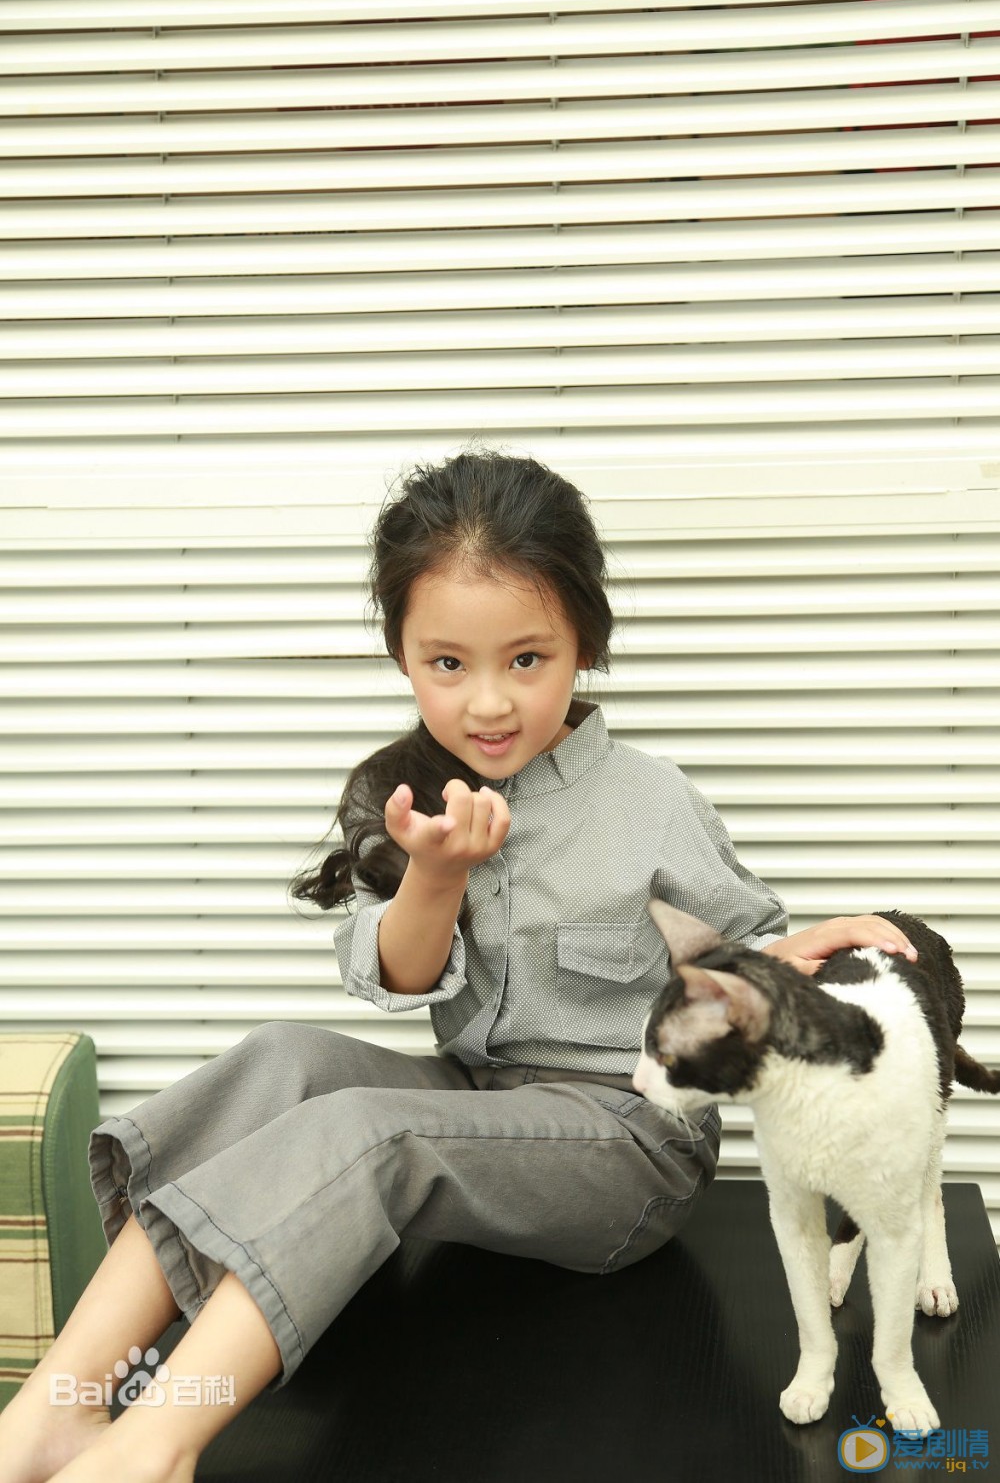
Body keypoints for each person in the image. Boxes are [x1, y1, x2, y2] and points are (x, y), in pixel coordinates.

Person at [0, 449, 919, 1483]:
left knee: (368, 1131)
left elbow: (737, 954)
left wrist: (803, 952)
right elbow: (390, 979)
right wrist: (432, 877)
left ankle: (154, 1447)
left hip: (624, 1146)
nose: (488, 704)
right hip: (475, 1104)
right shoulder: (411, 794)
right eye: (448, 665)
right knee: (277, 1061)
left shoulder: (652, 801)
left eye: (526, 660)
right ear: (403, 655)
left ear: (585, 646)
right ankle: (56, 1411)